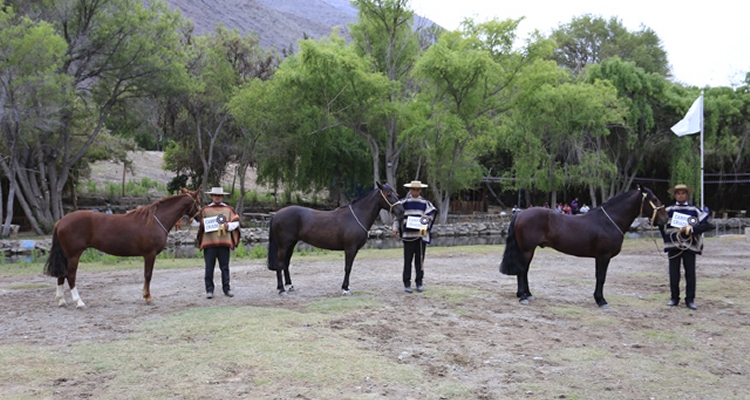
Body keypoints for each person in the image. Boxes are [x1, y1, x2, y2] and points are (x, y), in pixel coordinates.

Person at [659, 184, 709, 310]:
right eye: (678, 193)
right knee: (673, 273)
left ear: (687, 195)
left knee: (690, 273)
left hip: (689, 246)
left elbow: (706, 225)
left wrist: (691, 229)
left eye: (683, 193)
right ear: (675, 195)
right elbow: (659, 222)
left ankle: (690, 300)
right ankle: (674, 298)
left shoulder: (695, 210)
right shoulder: (668, 210)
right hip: (673, 245)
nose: (680, 195)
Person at [391, 180, 437, 293]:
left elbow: (431, 215)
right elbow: (397, 217)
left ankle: (419, 282)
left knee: (420, 261)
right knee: (408, 260)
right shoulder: (403, 202)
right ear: (410, 190)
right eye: (413, 189)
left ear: (420, 190)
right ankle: (407, 283)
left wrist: (425, 218)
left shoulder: (426, 203)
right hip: (408, 236)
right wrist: (395, 228)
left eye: (417, 189)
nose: (415, 191)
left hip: (420, 236)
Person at [196, 187, 241, 299]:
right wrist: (201, 224)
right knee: (209, 267)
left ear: (222, 197)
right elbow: (197, 223)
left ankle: (227, 288)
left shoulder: (228, 209)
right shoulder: (205, 210)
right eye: (215, 195)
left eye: (219, 195)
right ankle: (209, 290)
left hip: (223, 243)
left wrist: (228, 226)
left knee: (225, 267)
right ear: (211, 196)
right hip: (209, 244)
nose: (217, 197)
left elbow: (236, 222)